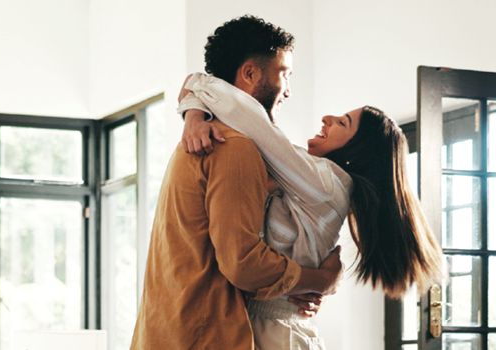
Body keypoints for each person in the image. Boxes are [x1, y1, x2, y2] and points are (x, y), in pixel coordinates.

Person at [176, 70, 447, 350]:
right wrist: (194, 114)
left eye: (342, 122)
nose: (326, 118)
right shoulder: (311, 181)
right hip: (269, 326)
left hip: (278, 332)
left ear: (356, 151)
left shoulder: (326, 182)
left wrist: (195, 108)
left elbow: (248, 120)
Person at [128, 15, 343, 350]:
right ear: (250, 73)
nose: (288, 89)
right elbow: (244, 264)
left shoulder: (197, 140)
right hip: (206, 337)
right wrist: (322, 280)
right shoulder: (234, 147)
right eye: (284, 74)